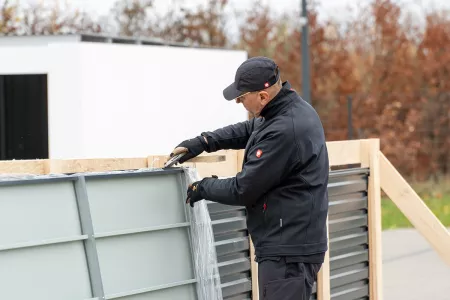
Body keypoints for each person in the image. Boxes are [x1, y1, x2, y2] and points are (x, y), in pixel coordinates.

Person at [169, 56, 329, 300]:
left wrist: (203, 187)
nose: (238, 102)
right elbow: (250, 130)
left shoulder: (285, 129)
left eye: (241, 97)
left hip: (288, 251)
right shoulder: (288, 110)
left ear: (262, 96)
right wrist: (203, 142)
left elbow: (244, 189)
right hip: (290, 244)